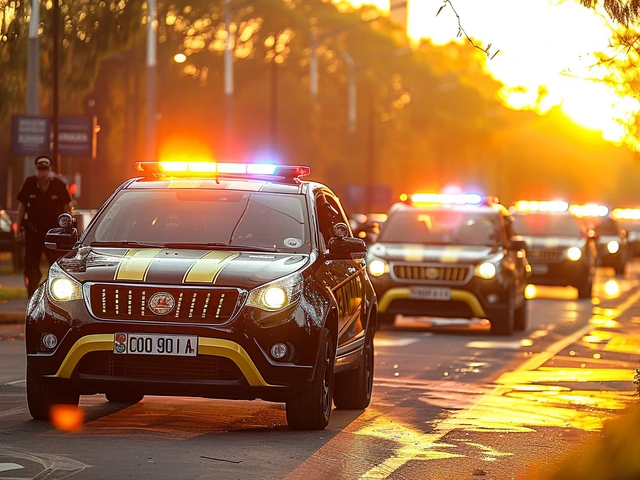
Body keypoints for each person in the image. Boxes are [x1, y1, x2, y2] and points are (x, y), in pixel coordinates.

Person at [15, 156, 73, 297]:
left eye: (45, 169)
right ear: (36, 170)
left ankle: (55, 296)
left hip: (54, 234)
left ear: (50, 170)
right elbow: (21, 207)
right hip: (33, 233)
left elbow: (67, 208)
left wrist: (69, 229)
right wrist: (18, 230)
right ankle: (32, 297)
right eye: (40, 169)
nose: (43, 173)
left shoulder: (59, 185)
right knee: (31, 268)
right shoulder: (29, 184)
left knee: (57, 266)